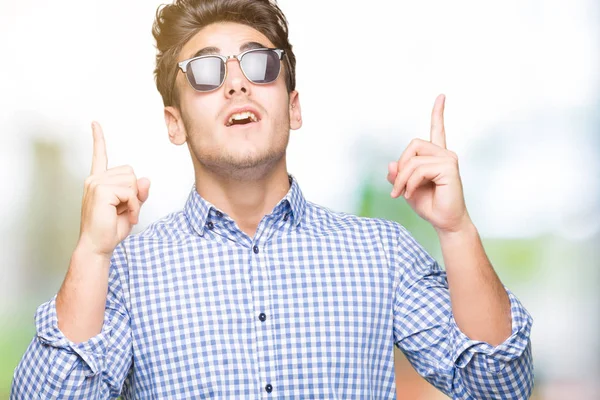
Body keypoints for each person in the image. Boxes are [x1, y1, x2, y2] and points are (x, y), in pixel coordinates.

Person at [11, 0, 533, 398]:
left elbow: (499, 384)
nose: (237, 83)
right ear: (175, 123)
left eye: (259, 64)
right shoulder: (122, 272)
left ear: (294, 106)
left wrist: (457, 231)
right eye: (208, 72)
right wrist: (91, 254)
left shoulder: (382, 253)